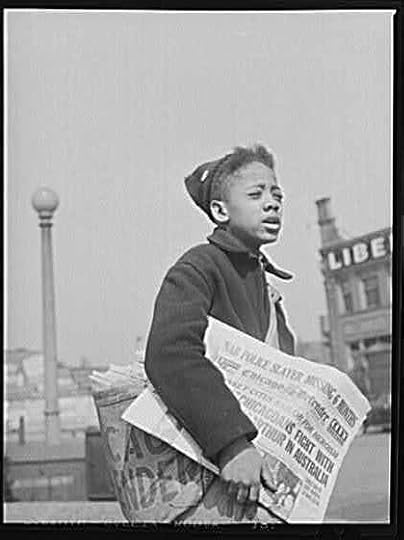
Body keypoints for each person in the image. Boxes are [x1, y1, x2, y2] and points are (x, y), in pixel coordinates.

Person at [144, 143, 296, 521]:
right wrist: (231, 443)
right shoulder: (199, 266)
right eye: (256, 194)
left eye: (277, 195)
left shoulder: (263, 282)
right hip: (214, 472)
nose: (272, 204)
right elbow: (170, 353)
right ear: (220, 211)